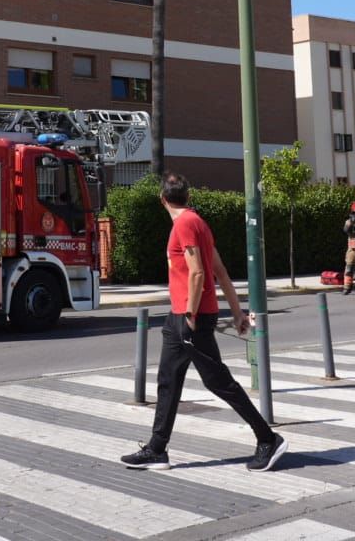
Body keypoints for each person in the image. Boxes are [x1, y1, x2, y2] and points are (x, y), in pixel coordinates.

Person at [121, 172, 287, 473]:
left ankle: (268, 439)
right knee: (168, 380)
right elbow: (220, 271)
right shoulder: (199, 223)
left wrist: (190, 314)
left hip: (190, 316)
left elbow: (198, 272)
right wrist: (236, 313)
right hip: (181, 316)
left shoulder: (184, 224)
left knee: (217, 381)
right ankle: (157, 449)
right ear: (189, 196)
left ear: (162, 199)